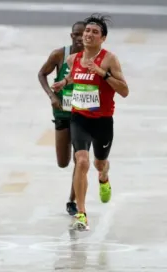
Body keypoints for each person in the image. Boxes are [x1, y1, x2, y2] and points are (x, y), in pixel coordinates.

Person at [52, 13, 129, 231]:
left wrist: (103, 74)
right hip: (79, 118)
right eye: (87, 31)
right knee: (82, 161)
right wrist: (63, 82)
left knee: (98, 163)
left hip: (103, 121)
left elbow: (124, 91)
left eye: (95, 32)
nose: (89, 35)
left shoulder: (109, 59)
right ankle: (82, 213)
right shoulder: (72, 59)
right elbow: (76, 77)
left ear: (103, 38)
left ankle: (104, 176)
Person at [38, 21, 86, 216]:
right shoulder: (59, 55)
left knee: (80, 159)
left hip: (83, 113)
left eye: (83, 35)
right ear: (71, 36)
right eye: (76, 34)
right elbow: (41, 74)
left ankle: (72, 201)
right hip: (62, 112)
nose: (80, 38)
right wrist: (51, 95)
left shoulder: (94, 58)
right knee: (63, 162)